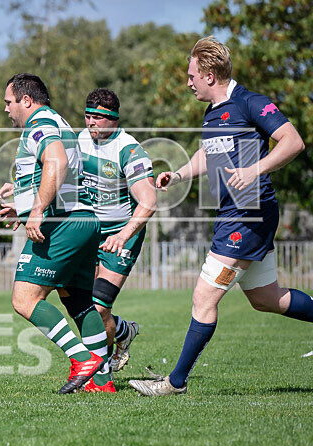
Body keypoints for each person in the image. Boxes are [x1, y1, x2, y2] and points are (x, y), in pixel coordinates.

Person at [130, 36, 309, 396]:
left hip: (249, 216)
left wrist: (255, 169)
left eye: (192, 74)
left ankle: (174, 383)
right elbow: (207, 154)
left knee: (203, 297)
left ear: (210, 75)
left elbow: (292, 141)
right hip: (232, 215)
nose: (188, 82)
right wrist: (179, 174)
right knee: (266, 298)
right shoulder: (213, 113)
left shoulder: (250, 103)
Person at [0, 73, 106, 394]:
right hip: (84, 220)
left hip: (63, 223)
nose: (6, 109)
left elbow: (55, 162)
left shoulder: (39, 122)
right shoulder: (57, 120)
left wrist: (37, 209)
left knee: (24, 298)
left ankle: (83, 359)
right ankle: (102, 383)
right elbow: (60, 170)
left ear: (26, 100)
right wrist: (24, 199)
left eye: (8, 102)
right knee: (79, 301)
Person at [78, 88, 157, 384]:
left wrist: (123, 235)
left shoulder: (130, 151)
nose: (91, 123)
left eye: (98, 117)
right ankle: (124, 332)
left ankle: (102, 370)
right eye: (87, 116)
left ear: (114, 119)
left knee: (98, 307)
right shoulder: (79, 141)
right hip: (90, 232)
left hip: (123, 233)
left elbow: (148, 203)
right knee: (84, 304)